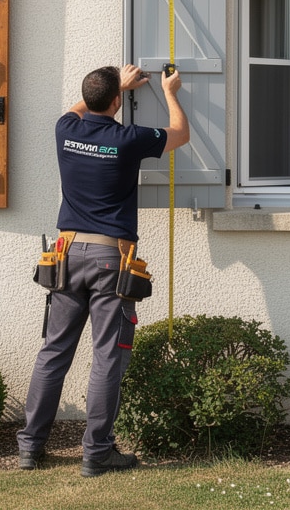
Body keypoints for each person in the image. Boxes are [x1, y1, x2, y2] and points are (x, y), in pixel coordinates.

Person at [17, 63, 188, 477]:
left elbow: (78, 111)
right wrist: (170, 92)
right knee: (108, 357)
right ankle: (97, 453)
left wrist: (110, 89)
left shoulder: (65, 130)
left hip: (66, 254)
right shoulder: (128, 139)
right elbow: (179, 134)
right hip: (111, 259)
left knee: (54, 352)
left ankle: (29, 447)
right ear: (118, 102)